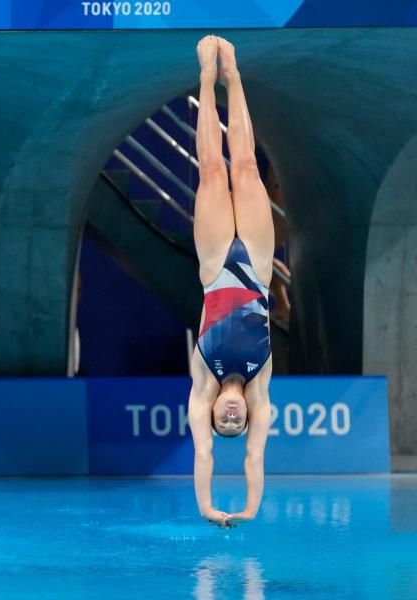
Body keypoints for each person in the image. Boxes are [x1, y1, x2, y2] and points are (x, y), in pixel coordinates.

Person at [188, 36, 273, 528]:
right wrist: (249, 509)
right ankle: (234, 74)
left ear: (216, 410)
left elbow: (205, 457)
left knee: (213, 172)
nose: (232, 418)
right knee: (246, 167)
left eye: (225, 420)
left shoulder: (203, 385)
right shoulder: (260, 388)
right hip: (258, 267)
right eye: (235, 424)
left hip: (217, 265)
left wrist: (206, 506)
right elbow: (254, 459)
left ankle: (206, 78)